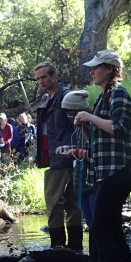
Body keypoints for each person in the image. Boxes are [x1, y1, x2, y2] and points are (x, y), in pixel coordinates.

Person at [74, 50, 131, 262]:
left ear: (111, 69)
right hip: (106, 170)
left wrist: (90, 118)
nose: (91, 71)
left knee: (102, 226)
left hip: (121, 169)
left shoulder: (118, 92)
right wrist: (85, 125)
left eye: (96, 67)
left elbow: (120, 128)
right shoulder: (104, 96)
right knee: (110, 227)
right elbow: (97, 139)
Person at [34, 62, 84, 251]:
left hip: (68, 157)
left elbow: (79, 127)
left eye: (44, 77)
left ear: (54, 76)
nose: (41, 81)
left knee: (64, 203)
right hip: (53, 158)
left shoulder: (68, 97)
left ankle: (69, 247)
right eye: (38, 79)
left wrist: (77, 151)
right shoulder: (47, 100)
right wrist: (39, 155)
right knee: (58, 203)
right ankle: (60, 247)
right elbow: (46, 132)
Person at [55, 90, 99, 262]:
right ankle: (94, 259)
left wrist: (77, 153)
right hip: (83, 178)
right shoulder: (78, 126)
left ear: (77, 110)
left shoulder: (94, 123)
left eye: (70, 112)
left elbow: (97, 151)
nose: (69, 116)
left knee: (97, 222)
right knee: (89, 220)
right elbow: (82, 147)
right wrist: (68, 148)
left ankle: (101, 261)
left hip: (96, 178)